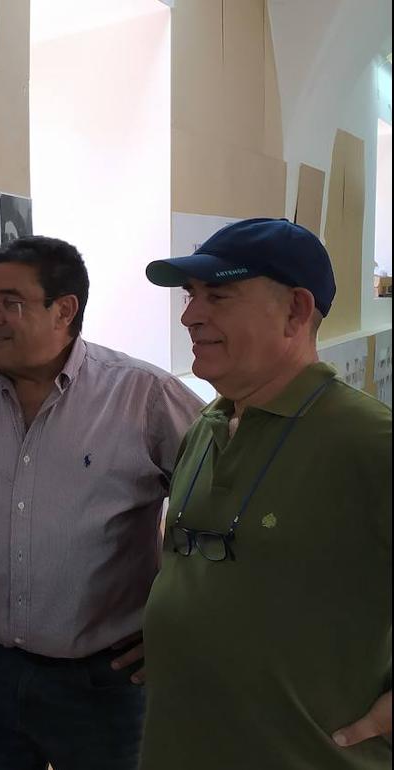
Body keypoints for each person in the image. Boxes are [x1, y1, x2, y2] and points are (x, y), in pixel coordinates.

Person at [0, 236, 202, 770]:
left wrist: (182, 623)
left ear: (64, 310)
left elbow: (218, 508)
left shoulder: (143, 396)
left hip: (107, 681)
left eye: (11, 303)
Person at [139, 219, 392, 769]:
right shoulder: (204, 428)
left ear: (297, 311)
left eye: (218, 296)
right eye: (190, 296)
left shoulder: (369, 442)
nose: (189, 316)